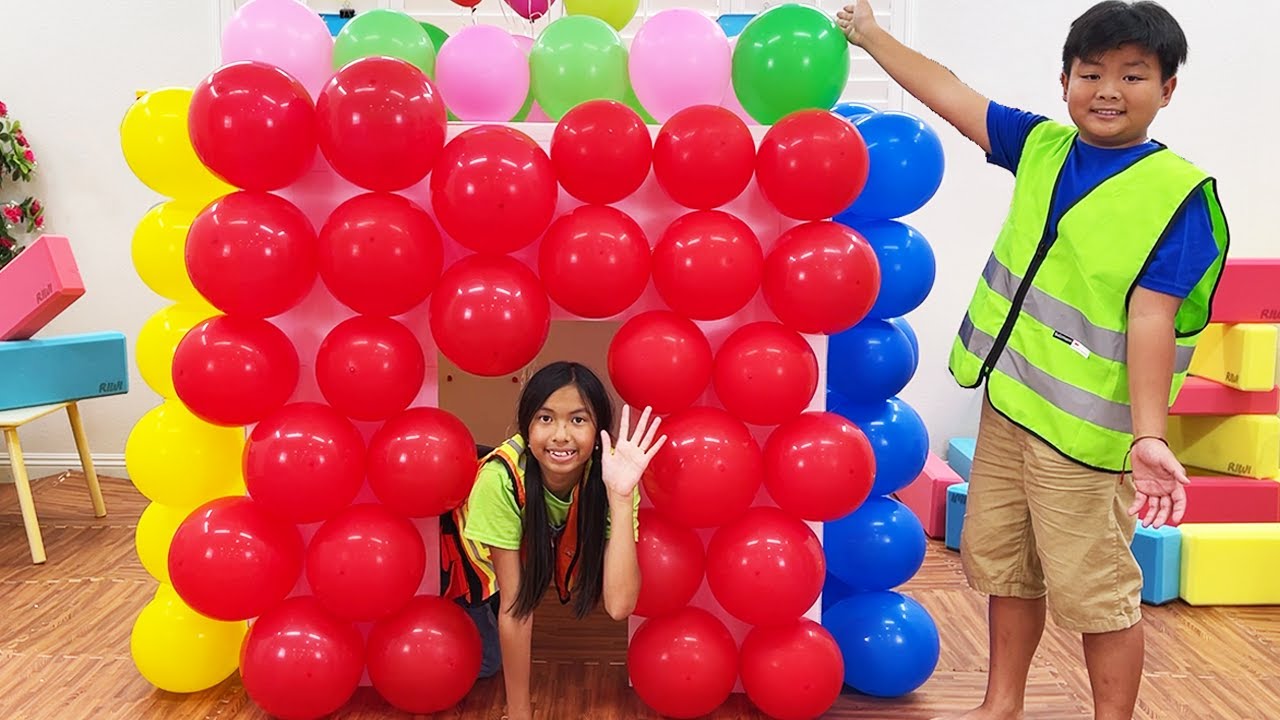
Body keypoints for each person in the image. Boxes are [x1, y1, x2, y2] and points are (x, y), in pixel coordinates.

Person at [836, 2, 1228, 719]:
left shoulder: (1178, 198)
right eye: (1091, 73)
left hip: (1085, 437)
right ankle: (1001, 704)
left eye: (1132, 75)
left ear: (1167, 88)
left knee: (1098, 592)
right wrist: (869, 33)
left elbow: (1151, 319)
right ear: (1065, 80)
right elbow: (951, 94)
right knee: (1007, 568)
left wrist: (1148, 435)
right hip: (1012, 405)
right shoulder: (1044, 147)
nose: (1108, 90)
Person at [439, 361, 666, 720]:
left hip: (525, 555)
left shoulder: (612, 475)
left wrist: (621, 498)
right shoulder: (499, 480)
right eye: (546, 418)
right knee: (484, 664)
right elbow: (517, 605)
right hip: (464, 562)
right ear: (527, 427)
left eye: (578, 420)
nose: (561, 435)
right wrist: (519, 714)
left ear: (597, 432)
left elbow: (620, 606)